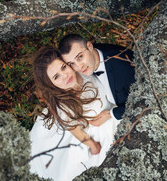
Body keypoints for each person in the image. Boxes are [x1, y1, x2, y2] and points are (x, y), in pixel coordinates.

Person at [29, 47, 120, 181]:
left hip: (109, 109)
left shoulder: (83, 72)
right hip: (91, 128)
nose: (65, 76)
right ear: (51, 85)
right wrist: (93, 145)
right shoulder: (64, 106)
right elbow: (75, 130)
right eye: (56, 77)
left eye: (64, 67)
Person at [58, 34, 135, 126]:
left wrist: (112, 114)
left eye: (80, 57)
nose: (79, 67)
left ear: (90, 46)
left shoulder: (124, 67)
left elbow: (142, 101)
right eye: (71, 63)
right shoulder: (90, 58)